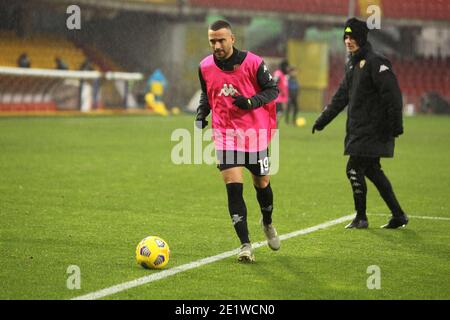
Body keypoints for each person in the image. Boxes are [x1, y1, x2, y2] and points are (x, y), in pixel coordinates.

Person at [195, 20, 280, 262]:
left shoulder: (253, 62)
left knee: (262, 184)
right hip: (225, 135)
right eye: (213, 41)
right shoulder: (204, 66)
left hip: (254, 134)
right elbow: (207, 93)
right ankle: (245, 245)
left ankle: (268, 222)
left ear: (232, 39)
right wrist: (202, 112)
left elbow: (273, 90)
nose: (217, 45)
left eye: (221, 40)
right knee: (234, 188)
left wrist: (252, 102)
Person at [312, 17, 409, 229]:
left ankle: (361, 217)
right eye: (345, 37)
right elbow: (340, 98)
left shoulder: (376, 62)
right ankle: (399, 215)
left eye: (353, 36)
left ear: (362, 38)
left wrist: (396, 125)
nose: (348, 41)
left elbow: (392, 95)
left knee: (353, 169)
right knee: (373, 171)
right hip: (359, 130)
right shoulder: (352, 65)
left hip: (374, 129)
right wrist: (322, 121)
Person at [273, 60, 289, 125]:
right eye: (287, 67)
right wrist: (280, 90)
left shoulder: (284, 75)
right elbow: (274, 81)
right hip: (278, 99)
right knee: (276, 118)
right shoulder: (278, 73)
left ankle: (273, 133)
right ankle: (273, 133)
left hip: (283, 99)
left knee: (278, 117)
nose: (288, 68)